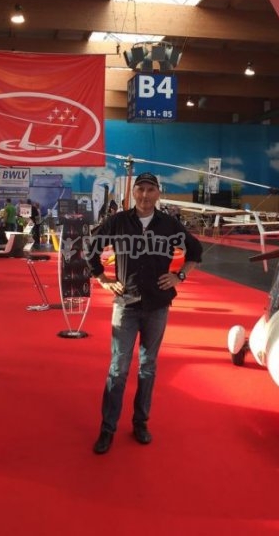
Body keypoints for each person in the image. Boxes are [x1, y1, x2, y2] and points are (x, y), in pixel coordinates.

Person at [85, 172, 203, 455]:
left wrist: (179, 276)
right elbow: (91, 248)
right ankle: (108, 428)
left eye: (151, 190)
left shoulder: (169, 224)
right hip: (126, 304)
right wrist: (103, 279)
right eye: (141, 189)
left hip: (157, 305)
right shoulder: (118, 222)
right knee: (118, 369)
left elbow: (195, 251)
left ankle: (140, 422)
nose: (145, 195)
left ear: (158, 193)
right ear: (133, 193)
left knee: (148, 367)